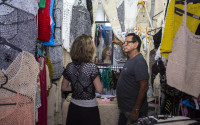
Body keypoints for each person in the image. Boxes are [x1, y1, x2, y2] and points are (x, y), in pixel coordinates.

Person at [62, 34, 103, 125]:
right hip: (89, 109)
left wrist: (76, 87)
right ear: (89, 49)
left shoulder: (70, 66)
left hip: (73, 108)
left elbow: (64, 88)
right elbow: (99, 89)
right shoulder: (91, 67)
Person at [116, 33, 149, 125]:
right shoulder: (130, 59)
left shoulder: (139, 61)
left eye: (127, 42)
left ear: (136, 44)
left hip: (133, 110)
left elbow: (144, 86)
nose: (124, 44)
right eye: (124, 42)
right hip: (125, 108)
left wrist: (136, 110)